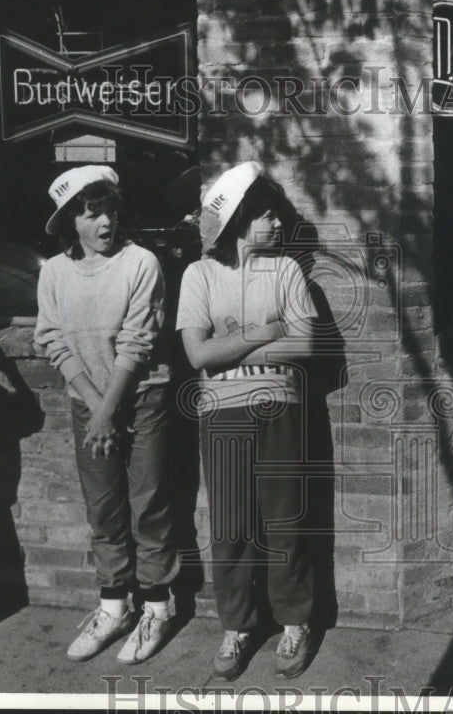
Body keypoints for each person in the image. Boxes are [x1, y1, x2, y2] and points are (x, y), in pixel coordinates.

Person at [176, 161, 317, 680]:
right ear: (237, 219)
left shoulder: (287, 271)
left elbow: (306, 344)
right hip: (221, 415)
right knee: (232, 525)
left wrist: (226, 346)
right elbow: (196, 355)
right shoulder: (199, 275)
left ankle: (294, 622)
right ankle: (237, 626)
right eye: (266, 216)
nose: (277, 225)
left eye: (276, 215)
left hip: (280, 407)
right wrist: (265, 330)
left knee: (284, 521)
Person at [34, 164, 180, 662]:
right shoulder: (53, 272)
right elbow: (52, 339)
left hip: (143, 399)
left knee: (149, 505)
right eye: (92, 214)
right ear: (70, 221)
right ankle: (114, 607)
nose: (104, 224)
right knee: (104, 510)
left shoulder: (142, 262)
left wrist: (108, 410)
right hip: (89, 405)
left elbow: (138, 342)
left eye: (110, 211)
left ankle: (158, 607)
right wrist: (97, 411)